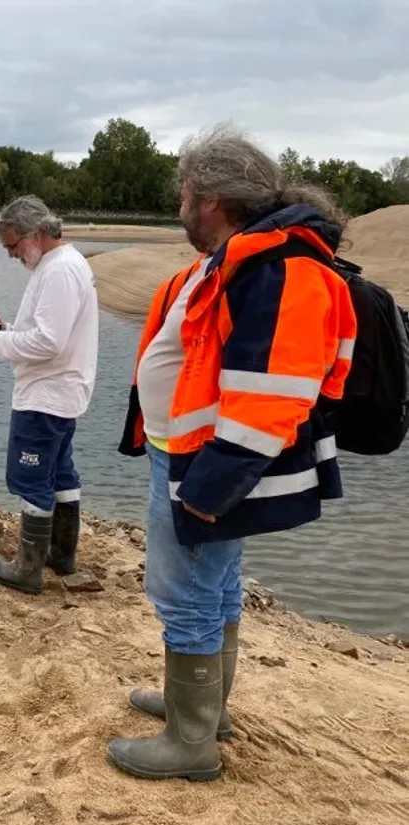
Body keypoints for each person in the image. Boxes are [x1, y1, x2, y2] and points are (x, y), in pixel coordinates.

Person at [110, 124, 357, 781]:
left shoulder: (281, 269)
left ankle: (190, 743)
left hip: (209, 468)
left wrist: (207, 490)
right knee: (212, 586)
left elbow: (272, 393)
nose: (179, 206)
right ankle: (203, 708)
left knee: (184, 592)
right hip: (192, 456)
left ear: (210, 198)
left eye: (184, 192)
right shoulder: (239, 258)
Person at [0, 194, 100, 595]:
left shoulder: (59, 270)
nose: (11, 255)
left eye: (13, 245)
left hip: (46, 395)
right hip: (60, 392)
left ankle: (27, 569)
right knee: (60, 473)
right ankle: (60, 555)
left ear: (38, 233)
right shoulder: (60, 265)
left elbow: (49, 343)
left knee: (31, 478)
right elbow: (49, 334)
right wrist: (8, 330)